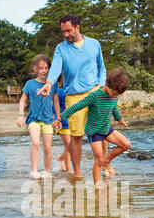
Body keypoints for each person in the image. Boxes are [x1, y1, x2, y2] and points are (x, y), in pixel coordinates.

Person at [37, 14, 106, 178]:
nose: (66, 35)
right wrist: (48, 83)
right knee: (76, 138)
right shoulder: (61, 48)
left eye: (68, 31)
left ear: (77, 27)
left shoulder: (94, 44)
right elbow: (55, 69)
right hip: (73, 96)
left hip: (95, 93)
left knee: (102, 133)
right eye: (63, 32)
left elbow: (101, 68)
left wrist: (100, 85)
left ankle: (104, 166)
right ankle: (78, 172)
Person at [53, 68, 131, 187]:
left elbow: (114, 108)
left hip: (106, 128)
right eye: (115, 93)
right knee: (98, 159)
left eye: (119, 94)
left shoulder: (114, 95)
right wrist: (59, 118)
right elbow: (76, 106)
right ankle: (97, 186)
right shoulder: (95, 95)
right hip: (95, 132)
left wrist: (119, 118)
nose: (116, 96)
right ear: (108, 85)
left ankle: (107, 160)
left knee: (126, 144)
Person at [17, 54, 60, 179]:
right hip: (33, 119)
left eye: (46, 68)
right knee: (35, 143)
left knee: (47, 147)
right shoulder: (30, 84)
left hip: (48, 120)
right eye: (40, 68)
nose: (43, 71)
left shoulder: (53, 84)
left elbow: (56, 102)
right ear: (36, 69)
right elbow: (22, 100)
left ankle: (47, 172)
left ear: (49, 69)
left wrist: (58, 117)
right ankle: (34, 171)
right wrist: (21, 115)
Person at [52, 76, 71, 173]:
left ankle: (61, 158)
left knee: (70, 146)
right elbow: (53, 108)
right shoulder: (60, 92)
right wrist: (56, 120)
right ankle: (69, 170)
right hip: (62, 123)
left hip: (73, 123)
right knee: (69, 146)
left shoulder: (74, 92)